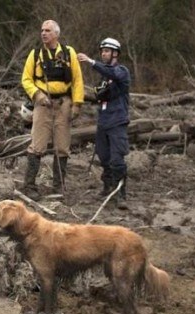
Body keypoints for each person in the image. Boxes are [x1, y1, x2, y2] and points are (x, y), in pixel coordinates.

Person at [21, 20, 84, 198]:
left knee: (63, 146)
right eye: (42, 30)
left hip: (64, 104)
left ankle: (59, 186)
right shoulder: (35, 54)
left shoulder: (68, 52)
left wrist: (77, 104)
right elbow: (26, 79)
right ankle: (30, 186)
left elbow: (78, 79)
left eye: (47, 30)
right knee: (37, 145)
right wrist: (37, 95)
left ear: (56, 34)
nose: (43, 33)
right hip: (43, 104)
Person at [77, 38, 131, 209]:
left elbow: (112, 73)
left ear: (115, 53)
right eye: (102, 51)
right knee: (104, 157)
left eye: (107, 51)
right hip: (103, 123)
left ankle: (120, 193)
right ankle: (108, 187)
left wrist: (91, 62)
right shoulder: (103, 78)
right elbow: (99, 95)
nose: (103, 54)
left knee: (117, 159)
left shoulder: (122, 71)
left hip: (117, 123)